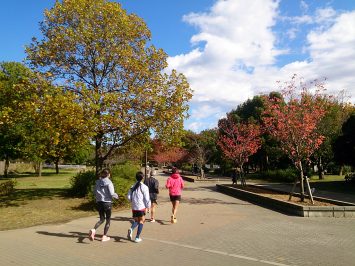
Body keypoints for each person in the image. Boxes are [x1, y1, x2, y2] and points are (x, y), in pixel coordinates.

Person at [89, 169, 118, 242]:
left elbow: (94, 192)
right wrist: (117, 196)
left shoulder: (97, 182)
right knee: (108, 220)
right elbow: (112, 193)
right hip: (107, 202)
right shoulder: (109, 182)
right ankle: (104, 236)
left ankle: (93, 230)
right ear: (108, 174)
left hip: (99, 202)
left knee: (102, 219)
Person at [127, 171, 151, 243]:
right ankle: (137, 237)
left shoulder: (132, 186)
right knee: (142, 221)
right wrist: (148, 207)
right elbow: (147, 199)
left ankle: (131, 229)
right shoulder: (144, 187)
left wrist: (132, 201)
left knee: (137, 220)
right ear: (143, 177)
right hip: (141, 206)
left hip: (134, 207)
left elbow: (128, 197)